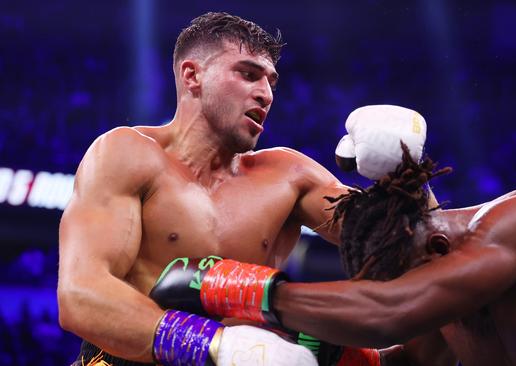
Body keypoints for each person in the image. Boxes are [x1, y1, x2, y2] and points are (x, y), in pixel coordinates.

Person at [56, 11, 428, 366]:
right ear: (192, 76)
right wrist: (211, 345)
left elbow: (417, 246)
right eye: (249, 74)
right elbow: (80, 296)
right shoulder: (128, 153)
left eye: (271, 81)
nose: (266, 93)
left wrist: (408, 174)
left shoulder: (288, 175)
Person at [193, 145, 516, 365]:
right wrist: (332, 355)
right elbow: (412, 360)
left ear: (435, 247)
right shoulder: (448, 294)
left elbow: (393, 309)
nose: (409, 291)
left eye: (406, 279)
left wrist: (238, 288)